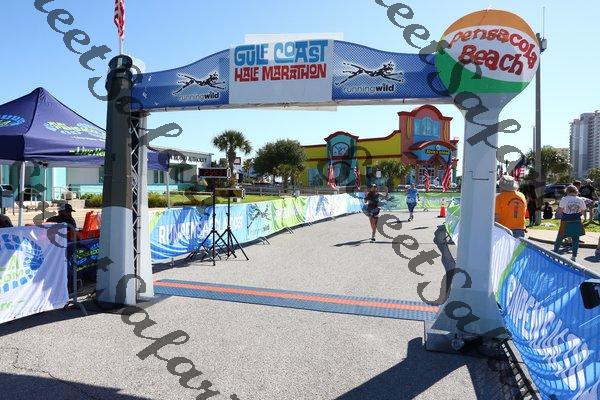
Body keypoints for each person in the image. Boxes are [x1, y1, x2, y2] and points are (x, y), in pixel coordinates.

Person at [553, 185, 586, 262]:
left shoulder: (564, 199)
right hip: (576, 220)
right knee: (575, 238)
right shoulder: (580, 199)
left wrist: (559, 212)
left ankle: (555, 253)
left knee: (560, 237)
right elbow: (583, 210)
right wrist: (578, 214)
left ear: (567, 191)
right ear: (576, 191)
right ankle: (574, 256)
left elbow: (560, 210)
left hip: (566, 220)